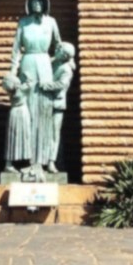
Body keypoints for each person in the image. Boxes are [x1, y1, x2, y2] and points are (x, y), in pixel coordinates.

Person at [9, 0, 61, 176]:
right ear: (29, 4)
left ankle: (47, 160)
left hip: (45, 66)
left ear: (45, 3)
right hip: (28, 65)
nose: (36, 4)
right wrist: (13, 74)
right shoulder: (23, 23)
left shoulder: (51, 22)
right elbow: (16, 51)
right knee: (27, 113)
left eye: (40, 1)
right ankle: (28, 158)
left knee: (45, 112)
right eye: (33, 1)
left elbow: (59, 47)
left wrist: (62, 67)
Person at [46, 41, 76, 174]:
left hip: (57, 104)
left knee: (53, 134)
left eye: (59, 49)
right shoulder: (53, 61)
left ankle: (52, 162)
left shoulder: (66, 69)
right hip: (45, 102)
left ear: (64, 55)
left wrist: (46, 85)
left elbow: (61, 84)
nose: (56, 49)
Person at [2, 73, 33, 172]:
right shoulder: (21, 90)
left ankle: (9, 163)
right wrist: (25, 74)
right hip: (22, 113)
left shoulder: (11, 92)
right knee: (25, 137)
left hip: (13, 113)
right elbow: (30, 82)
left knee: (12, 139)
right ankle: (28, 162)